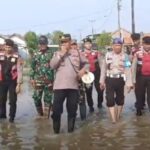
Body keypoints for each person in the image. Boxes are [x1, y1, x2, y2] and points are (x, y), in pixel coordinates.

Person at [50, 34, 88, 134]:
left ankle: (70, 132)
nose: (65, 43)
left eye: (66, 41)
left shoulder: (78, 53)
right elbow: (52, 66)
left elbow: (87, 63)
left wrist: (83, 70)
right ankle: (56, 133)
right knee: (56, 111)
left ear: (70, 42)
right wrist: (61, 53)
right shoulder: (57, 53)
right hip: (59, 87)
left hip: (73, 87)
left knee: (72, 111)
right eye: (62, 42)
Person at [100, 38, 133, 123]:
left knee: (120, 99)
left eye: (119, 45)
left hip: (120, 80)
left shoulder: (125, 56)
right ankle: (114, 120)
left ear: (121, 46)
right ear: (113, 46)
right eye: (116, 45)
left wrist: (129, 84)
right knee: (110, 99)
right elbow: (103, 69)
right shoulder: (107, 55)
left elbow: (128, 70)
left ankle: (118, 116)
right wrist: (102, 81)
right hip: (109, 79)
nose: (117, 47)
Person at [30, 36, 54, 118]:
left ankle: (46, 118)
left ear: (47, 43)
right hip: (38, 80)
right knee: (36, 98)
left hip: (49, 80)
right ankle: (40, 114)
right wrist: (32, 78)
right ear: (39, 44)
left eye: (44, 43)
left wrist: (55, 80)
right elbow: (32, 67)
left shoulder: (52, 53)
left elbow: (55, 67)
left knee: (48, 99)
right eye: (41, 43)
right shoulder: (35, 54)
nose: (42, 45)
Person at [0, 39, 23, 122]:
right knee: (2, 100)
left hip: (12, 81)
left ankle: (11, 118)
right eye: (6, 46)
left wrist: (19, 84)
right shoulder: (1, 55)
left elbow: (20, 70)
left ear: (12, 47)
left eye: (9, 47)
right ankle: (2, 117)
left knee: (13, 101)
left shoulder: (17, 57)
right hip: (2, 81)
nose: (7, 49)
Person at [83, 37, 104, 112]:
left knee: (100, 89)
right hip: (87, 74)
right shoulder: (81, 54)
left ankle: (100, 103)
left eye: (89, 43)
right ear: (84, 45)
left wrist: (103, 75)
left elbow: (101, 63)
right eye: (86, 44)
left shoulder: (96, 53)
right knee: (88, 91)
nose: (88, 45)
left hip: (96, 73)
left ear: (91, 44)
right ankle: (90, 106)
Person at [132, 36, 150, 116]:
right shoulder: (138, 53)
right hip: (140, 77)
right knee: (140, 95)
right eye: (146, 44)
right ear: (143, 44)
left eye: (149, 44)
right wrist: (133, 81)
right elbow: (134, 67)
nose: (148, 46)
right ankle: (138, 112)